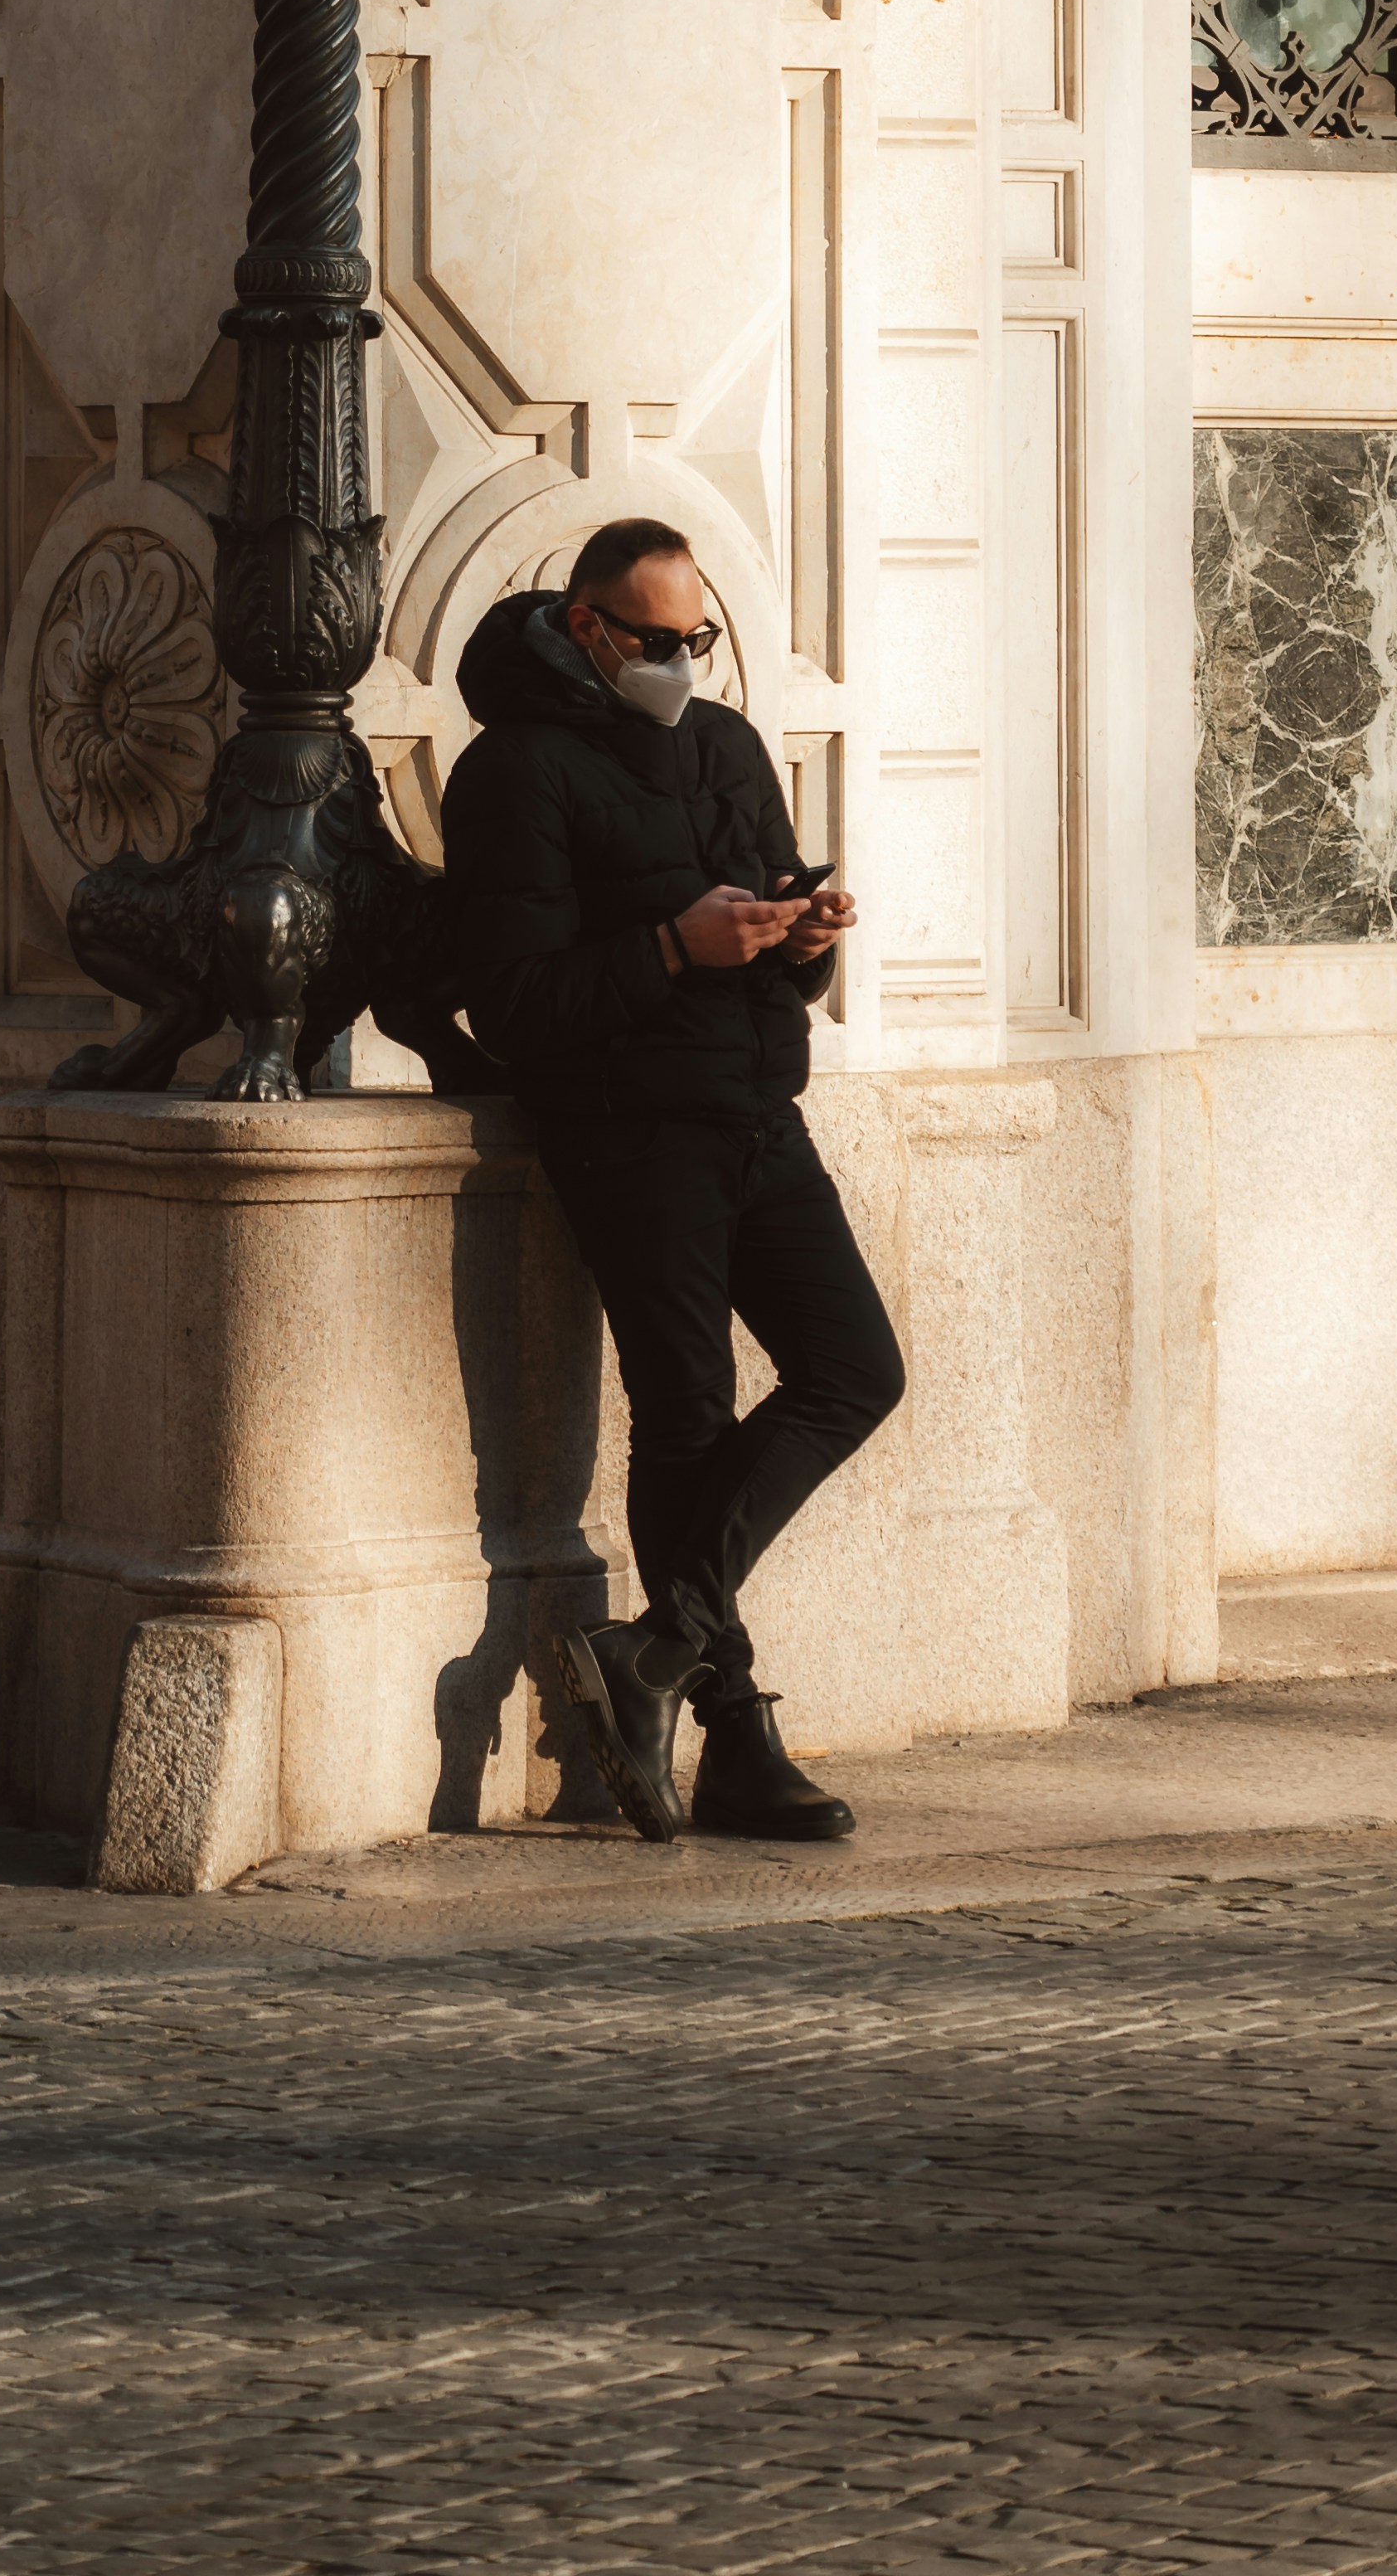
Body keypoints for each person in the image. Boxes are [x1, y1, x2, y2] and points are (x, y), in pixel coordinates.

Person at [443, 516, 905, 1845]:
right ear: (587, 626)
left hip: (761, 1114)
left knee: (855, 1370)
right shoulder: (512, 774)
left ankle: (650, 1654)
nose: (683, 662)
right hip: (630, 1135)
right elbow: (515, 1006)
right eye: (657, 640)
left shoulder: (726, 748)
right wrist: (669, 945)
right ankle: (738, 1738)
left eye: (699, 637)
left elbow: (762, 934)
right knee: (689, 1417)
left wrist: (799, 936)